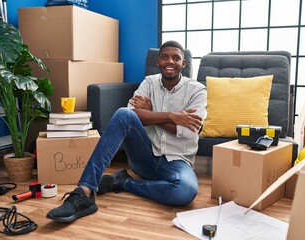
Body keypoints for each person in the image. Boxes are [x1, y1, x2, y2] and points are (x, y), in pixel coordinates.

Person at [46, 40, 207, 223]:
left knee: (185, 191)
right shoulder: (149, 83)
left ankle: (124, 182)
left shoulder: (197, 90)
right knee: (123, 114)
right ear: (158, 62)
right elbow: (131, 113)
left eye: (176, 58)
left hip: (177, 162)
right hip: (145, 156)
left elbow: (188, 133)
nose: (170, 62)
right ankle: (84, 191)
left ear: (183, 63)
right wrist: (172, 116)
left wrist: (150, 113)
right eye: (164, 57)